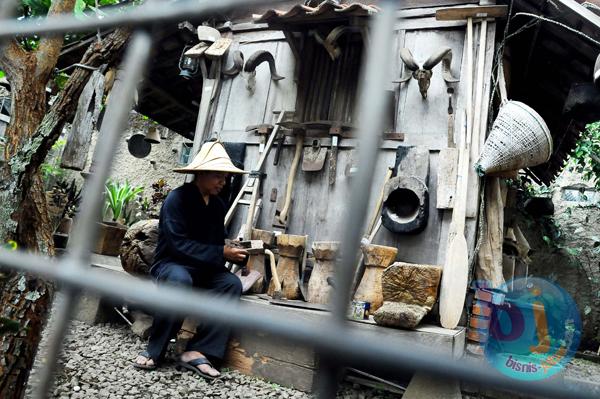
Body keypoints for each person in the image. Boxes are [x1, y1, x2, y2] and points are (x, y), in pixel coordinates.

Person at [134, 141, 249, 380]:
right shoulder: (177, 199)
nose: (223, 182)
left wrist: (231, 249)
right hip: (171, 264)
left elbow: (217, 241)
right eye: (218, 176)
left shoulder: (218, 205)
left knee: (230, 284)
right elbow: (178, 245)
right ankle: (155, 349)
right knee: (179, 280)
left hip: (203, 267)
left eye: (225, 177)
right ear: (200, 174)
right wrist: (220, 253)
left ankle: (199, 350)